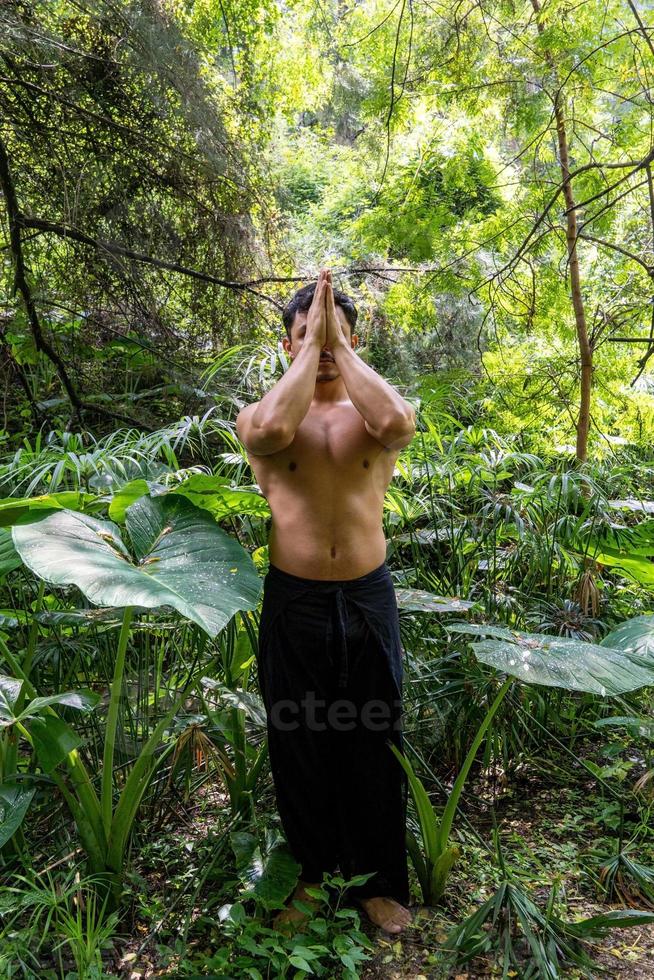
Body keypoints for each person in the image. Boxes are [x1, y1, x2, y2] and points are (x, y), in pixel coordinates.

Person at [236, 268, 416, 934]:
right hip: (296, 600)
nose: (324, 345)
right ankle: (310, 878)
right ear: (288, 347)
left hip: (367, 598)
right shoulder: (263, 412)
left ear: (356, 336)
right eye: (306, 335)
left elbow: (398, 422)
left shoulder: (374, 413)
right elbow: (268, 438)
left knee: (375, 735)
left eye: (337, 332)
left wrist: (339, 343)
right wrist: (315, 345)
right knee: (299, 737)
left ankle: (378, 882)